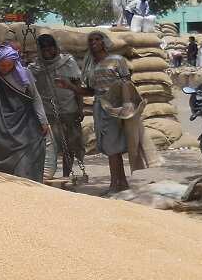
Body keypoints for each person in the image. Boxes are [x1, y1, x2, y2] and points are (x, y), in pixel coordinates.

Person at [56, 31, 155, 194]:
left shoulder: (117, 60)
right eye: (91, 40)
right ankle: (120, 183)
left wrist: (126, 106)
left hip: (115, 107)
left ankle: (115, 185)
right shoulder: (90, 64)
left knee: (112, 147)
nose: (94, 42)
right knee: (109, 146)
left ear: (104, 42)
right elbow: (90, 90)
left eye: (97, 39)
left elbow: (127, 83)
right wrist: (69, 86)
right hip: (99, 106)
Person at [0, 44, 49, 182]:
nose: (5, 68)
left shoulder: (25, 75)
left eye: (8, 65)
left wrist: (43, 121)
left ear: (15, 62)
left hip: (23, 130)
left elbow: (36, 98)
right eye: (2, 65)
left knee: (25, 172)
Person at [30, 34, 85, 178]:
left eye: (51, 47)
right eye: (44, 48)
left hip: (69, 110)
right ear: (39, 50)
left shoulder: (68, 62)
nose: (48, 51)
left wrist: (80, 107)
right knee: (48, 147)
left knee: (70, 145)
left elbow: (78, 85)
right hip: (47, 113)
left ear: (56, 47)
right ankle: (47, 176)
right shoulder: (35, 67)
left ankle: (67, 176)